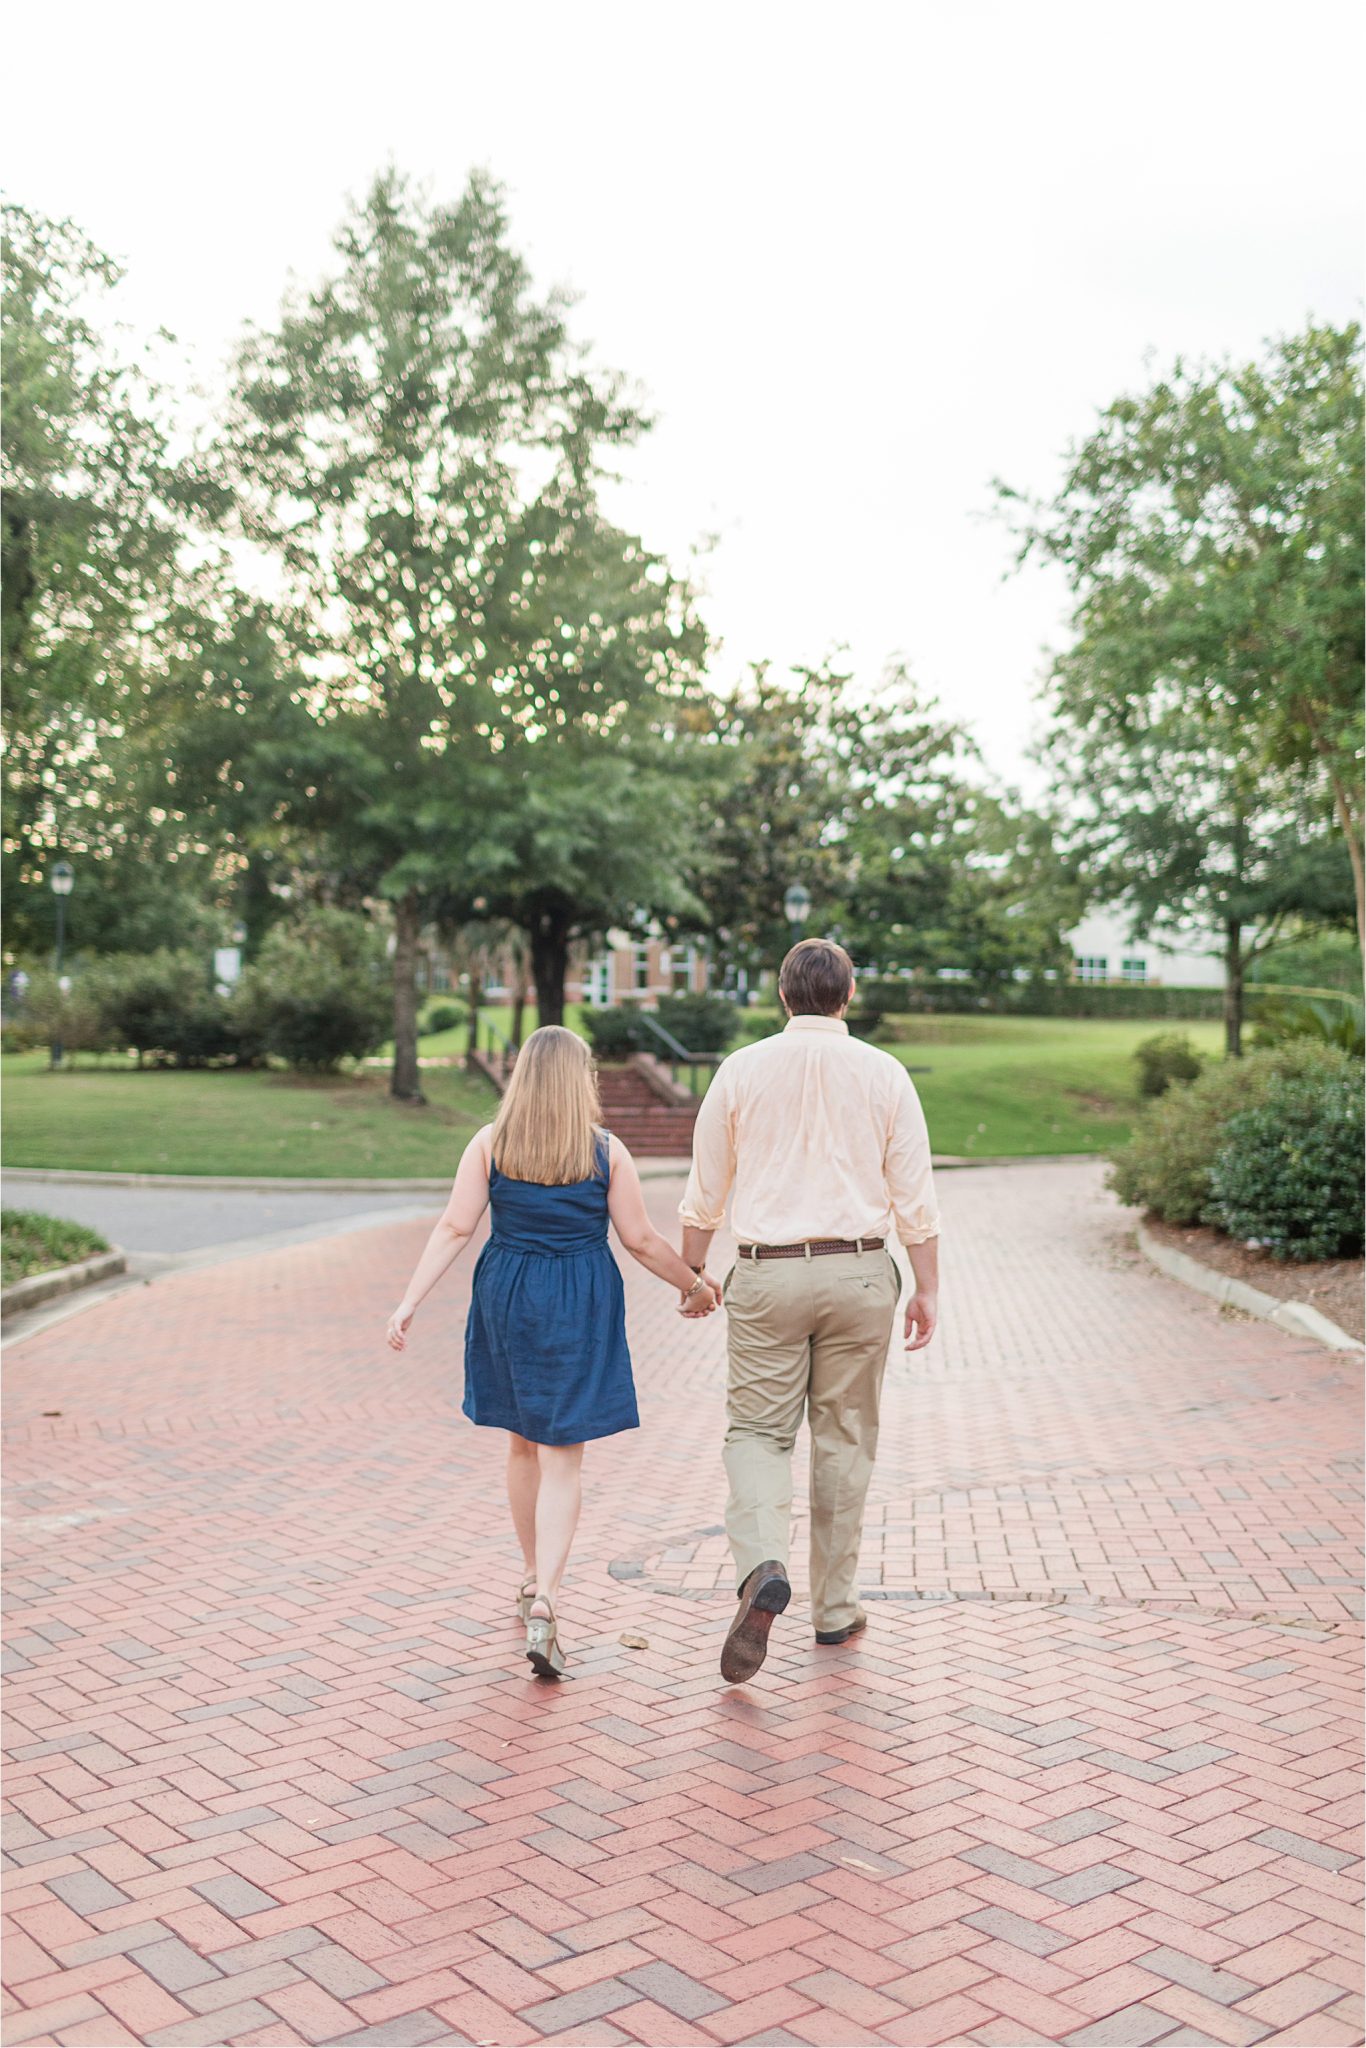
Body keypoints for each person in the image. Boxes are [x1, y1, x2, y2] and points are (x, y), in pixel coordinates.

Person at [386, 1024, 718, 1679]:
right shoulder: (606, 1151)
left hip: (507, 1291)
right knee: (564, 1456)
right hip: (579, 1295)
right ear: (580, 1080)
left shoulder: (491, 1144)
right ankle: (546, 1599)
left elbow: (456, 1226)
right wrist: (697, 1285)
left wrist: (409, 1301)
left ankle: (533, 1573)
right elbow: (642, 1240)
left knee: (520, 1442)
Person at [679, 937, 940, 1683]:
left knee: (759, 1433)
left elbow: (706, 1190)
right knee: (844, 1438)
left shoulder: (741, 1070)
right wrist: (928, 1287)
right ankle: (834, 1607)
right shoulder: (885, 1073)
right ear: (847, 996)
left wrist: (694, 1270)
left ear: (784, 996)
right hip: (860, 1272)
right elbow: (916, 1198)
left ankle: (763, 1562)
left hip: (767, 1274)